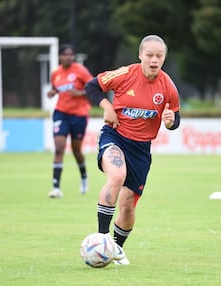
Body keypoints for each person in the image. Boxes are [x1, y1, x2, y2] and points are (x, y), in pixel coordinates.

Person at [84, 35, 181, 265]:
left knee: (127, 207)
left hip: (141, 149)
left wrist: (170, 121)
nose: (154, 60)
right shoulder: (125, 74)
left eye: (159, 56)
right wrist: (106, 105)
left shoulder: (167, 86)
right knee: (116, 176)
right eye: (149, 55)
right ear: (140, 56)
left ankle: (116, 248)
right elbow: (91, 86)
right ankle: (102, 238)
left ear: (164, 58)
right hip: (115, 136)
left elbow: (175, 118)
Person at [47, 44, 93, 198]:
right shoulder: (56, 73)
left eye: (71, 54)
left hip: (79, 115)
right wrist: (52, 92)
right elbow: (55, 88)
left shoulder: (80, 71)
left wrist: (80, 92)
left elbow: (93, 87)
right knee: (59, 148)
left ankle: (84, 177)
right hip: (61, 113)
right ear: (60, 57)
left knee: (76, 151)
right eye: (66, 54)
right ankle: (56, 187)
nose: (69, 57)